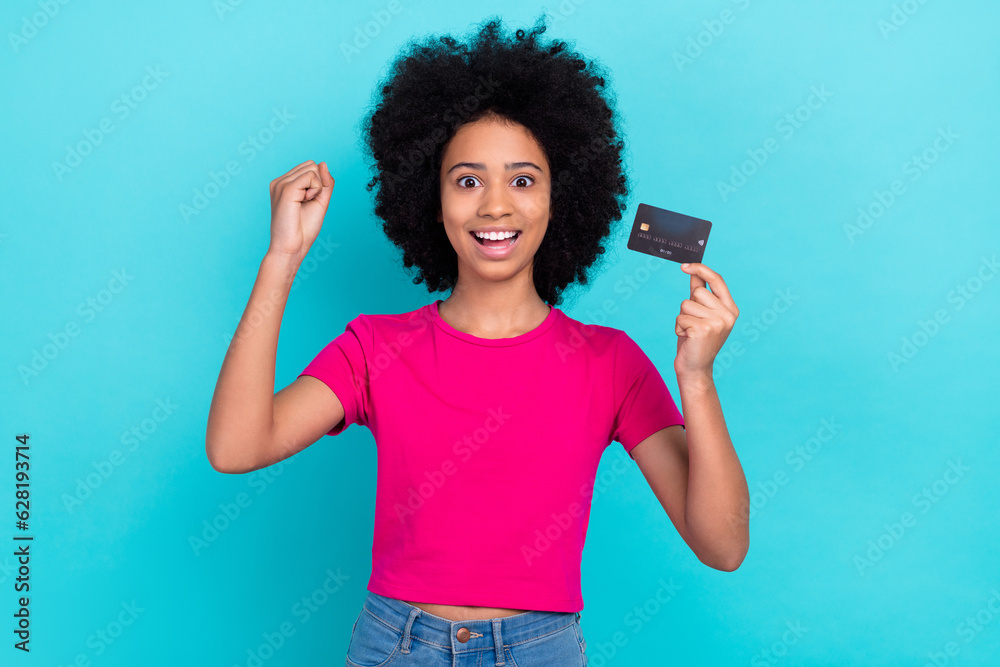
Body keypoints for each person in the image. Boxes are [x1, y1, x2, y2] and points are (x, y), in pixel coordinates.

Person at [206, 14, 749, 666]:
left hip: (541, 649)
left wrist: (697, 377)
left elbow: (722, 545)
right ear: (433, 200)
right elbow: (237, 446)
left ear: (560, 198)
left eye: (523, 179)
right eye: (468, 180)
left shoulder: (611, 363)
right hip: (395, 646)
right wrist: (282, 257)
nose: (495, 205)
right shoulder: (375, 348)